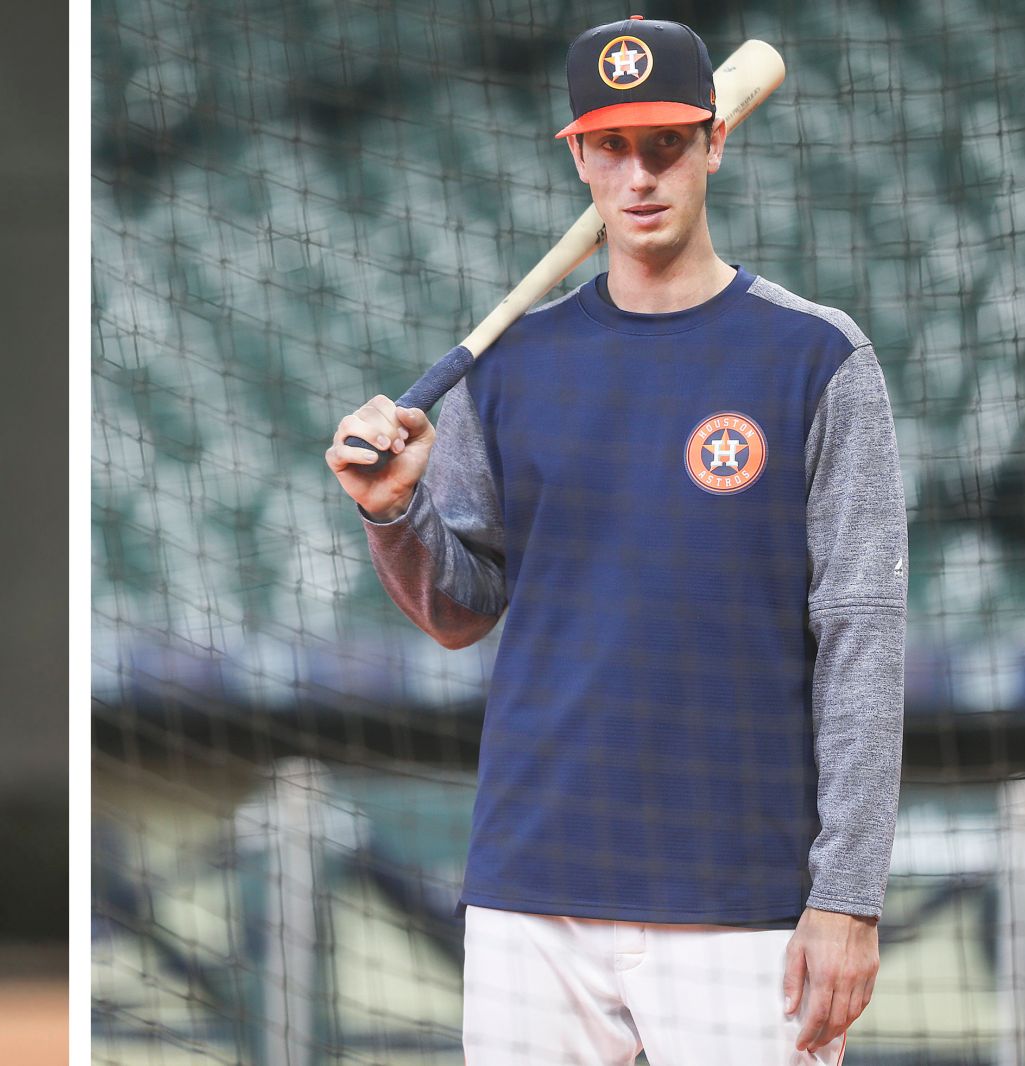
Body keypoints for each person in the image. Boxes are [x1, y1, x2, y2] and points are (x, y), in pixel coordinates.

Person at [326, 16, 903, 1065]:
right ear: (577, 153)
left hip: (742, 895)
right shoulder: (507, 366)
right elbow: (458, 612)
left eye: (664, 144)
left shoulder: (815, 358)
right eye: (609, 146)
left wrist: (847, 896)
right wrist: (393, 511)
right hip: (533, 885)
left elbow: (861, 634)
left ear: (712, 143)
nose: (637, 175)